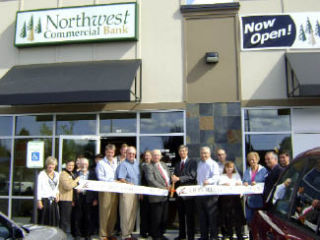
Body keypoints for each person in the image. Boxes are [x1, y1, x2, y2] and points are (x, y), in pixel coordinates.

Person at [171, 145, 197, 240]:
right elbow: (175, 176)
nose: (182, 153)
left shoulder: (192, 162)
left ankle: (190, 236)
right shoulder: (177, 164)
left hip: (189, 194)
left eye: (183, 151)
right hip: (179, 195)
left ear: (187, 152)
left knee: (190, 216)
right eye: (180, 151)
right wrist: (173, 178)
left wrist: (179, 178)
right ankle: (182, 235)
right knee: (181, 216)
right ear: (178, 153)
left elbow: (192, 176)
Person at [145, 149, 171, 240]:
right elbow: (151, 180)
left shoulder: (163, 164)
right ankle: (155, 235)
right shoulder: (149, 166)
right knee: (156, 217)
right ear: (151, 156)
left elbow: (168, 176)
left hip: (165, 195)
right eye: (155, 155)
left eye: (158, 155)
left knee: (164, 217)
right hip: (156, 196)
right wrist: (163, 188)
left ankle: (161, 234)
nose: (156, 157)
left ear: (161, 156)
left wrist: (170, 184)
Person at [196, 146, 220, 240]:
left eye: (205, 153)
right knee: (202, 217)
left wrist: (209, 181)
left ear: (209, 154)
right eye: (202, 153)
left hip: (211, 194)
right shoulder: (199, 164)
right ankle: (204, 236)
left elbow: (216, 177)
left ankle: (214, 237)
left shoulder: (214, 164)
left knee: (212, 217)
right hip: (200, 194)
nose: (203, 155)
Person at [96, 144, 119, 240]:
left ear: (114, 153)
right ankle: (103, 234)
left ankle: (110, 233)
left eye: (112, 152)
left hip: (115, 190)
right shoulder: (101, 163)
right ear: (105, 152)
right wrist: (112, 181)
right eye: (109, 152)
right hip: (105, 190)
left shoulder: (116, 162)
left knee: (113, 213)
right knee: (105, 212)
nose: (110, 154)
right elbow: (100, 177)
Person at [117, 146, 140, 240]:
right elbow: (121, 179)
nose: (131, 155)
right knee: (125, 213)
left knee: (133, 213)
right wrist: (128, 183)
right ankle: (125, 235)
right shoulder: (123, 164)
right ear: (126, 154)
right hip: (127, 192)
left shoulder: (137, 164)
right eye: (129, 153)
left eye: (133, 154)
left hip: (136, 192)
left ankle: (129, 233)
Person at [218, 162, 245, 240]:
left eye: (231, 167)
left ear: (233, 168)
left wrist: (240, 191)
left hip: (235, 199)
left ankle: (239, 234)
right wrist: (224, 184)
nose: (229, 169)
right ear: (225, 169)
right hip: (225, 200)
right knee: (228, 218)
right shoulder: (222, 176)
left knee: (238, 218)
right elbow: (219, 185)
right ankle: (230, 235)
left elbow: (240, 184)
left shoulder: (236, 175)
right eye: (227, 167)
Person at [73, 157, 97, 240]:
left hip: (89, 198)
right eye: (82, 163)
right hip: (79, 198)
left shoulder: (92, 174)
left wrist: (95, 199)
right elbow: (72, 185)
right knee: (78, 217)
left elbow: (95, 187)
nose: (84, 165)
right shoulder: (76, 173)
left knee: (88, 217)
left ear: (88, 165)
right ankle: (78, 235)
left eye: (85, 164)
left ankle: (88, 235)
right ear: (80, 164)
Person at [242, 152, 268, 225]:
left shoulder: (263, 170)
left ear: (257, 160)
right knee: (250, 221)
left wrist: (257, 184)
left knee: (259, 221)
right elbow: (243, 181)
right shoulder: (247, 171)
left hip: (260, 200)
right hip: (249, 200)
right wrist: (244, 183)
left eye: (253, 160)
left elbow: (266, 183)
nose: (252, 162)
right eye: (250, 160)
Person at [37, 156, 60, 226]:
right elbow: (38, 188)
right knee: (44, 221)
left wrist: (57, 194)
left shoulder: (57, 174)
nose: (51, 166)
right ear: (47, 165)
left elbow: (57, 187)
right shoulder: (42, 174)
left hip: (53, 201)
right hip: (44, 200)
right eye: (50, 164)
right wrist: (39, 201)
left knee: (53, 221)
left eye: (53, 164)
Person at [58, 160, 80, 235]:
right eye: (69, 165)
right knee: (64, 220)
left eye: (72, 165)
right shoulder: (63, 174)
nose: (71, 167)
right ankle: (61, 236)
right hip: (64, 199)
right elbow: (67, 186)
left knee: (67, 220)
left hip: (70, 200)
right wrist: (76, 181)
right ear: (66, 165)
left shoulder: (71, 173)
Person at [140, 150, 152, 238]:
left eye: (148, 155)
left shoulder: (153, 165)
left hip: (152, 193)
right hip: (144, 192)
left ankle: (151, 231)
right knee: (144, 213)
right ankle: (143, 232)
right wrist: (140, 192)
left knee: (151, 213)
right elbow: (139, 179)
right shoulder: (141, 166)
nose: (147, 157)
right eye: (146, 156)